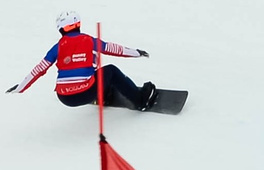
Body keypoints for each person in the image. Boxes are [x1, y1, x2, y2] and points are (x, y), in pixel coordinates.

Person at [10, 10, 162, 111]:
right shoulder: (88, 40)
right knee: (110, 71)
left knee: (91, 69)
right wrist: (136, 53)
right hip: (86, 92)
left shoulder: (57, 47)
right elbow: (112, 48)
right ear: (78, 24)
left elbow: (38, 70)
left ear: (60, 29)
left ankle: (104, 95)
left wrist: (20, 88)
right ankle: (141, 100)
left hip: (65, 98)